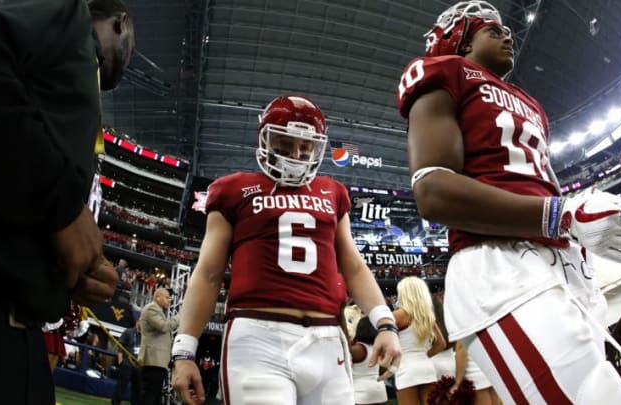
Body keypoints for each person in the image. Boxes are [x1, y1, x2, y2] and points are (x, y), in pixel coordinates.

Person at [396, 1, 621, 404]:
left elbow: (542, 182)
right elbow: (433, 189)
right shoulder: (447, 72)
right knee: (590, 396)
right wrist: (561, 216)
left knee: (606, 389)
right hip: (497, 264)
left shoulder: (531, 105)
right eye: (492, 30)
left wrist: (579, 216)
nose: (507, 33)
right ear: (460, 40)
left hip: (563, 261)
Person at [0, 0, 134, 404]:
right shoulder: (65, 15)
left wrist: (66, 277)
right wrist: (64, 209)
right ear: (120, 23)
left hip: (9, 323)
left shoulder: (55, 73)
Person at [171, 95, 402, 405]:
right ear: (266, 139)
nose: (296, 153)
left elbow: (354, 266)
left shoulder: (332, 192)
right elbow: (209, 274)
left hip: (327, 339)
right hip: (258, 336)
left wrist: (385, 324)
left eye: (306, 146)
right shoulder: (233, 189)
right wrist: (184, 350)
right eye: (286, 143)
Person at [392, 277, 446, 405]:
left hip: (406, 369)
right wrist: (423, 356)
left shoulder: (397, 315)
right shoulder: (427, 316)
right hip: (426, 367)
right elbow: (441, 344)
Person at [139, 288, 179, 405]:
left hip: (157, 361)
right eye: (167, 298)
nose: (169, 300)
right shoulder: (152, 308)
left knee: (154, 395)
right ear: (158, 298)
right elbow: (163, 327)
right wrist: (180, 317)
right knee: (150, 395)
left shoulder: (158, 311)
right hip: (153, 360)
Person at [350, 317, 388, 405]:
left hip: (360, 393)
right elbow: (383, 371)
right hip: (380, 391)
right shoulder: (381, 349)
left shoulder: (356, 349)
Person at [113, 317, 142, 405]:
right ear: (137, 321)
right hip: (127, 363)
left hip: (139, 365)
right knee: (121, 387)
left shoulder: (145, 336)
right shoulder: (128, 332)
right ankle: (115, 403)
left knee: (137, 390)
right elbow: (120, 347)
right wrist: (121, 362)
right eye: (142, 321)